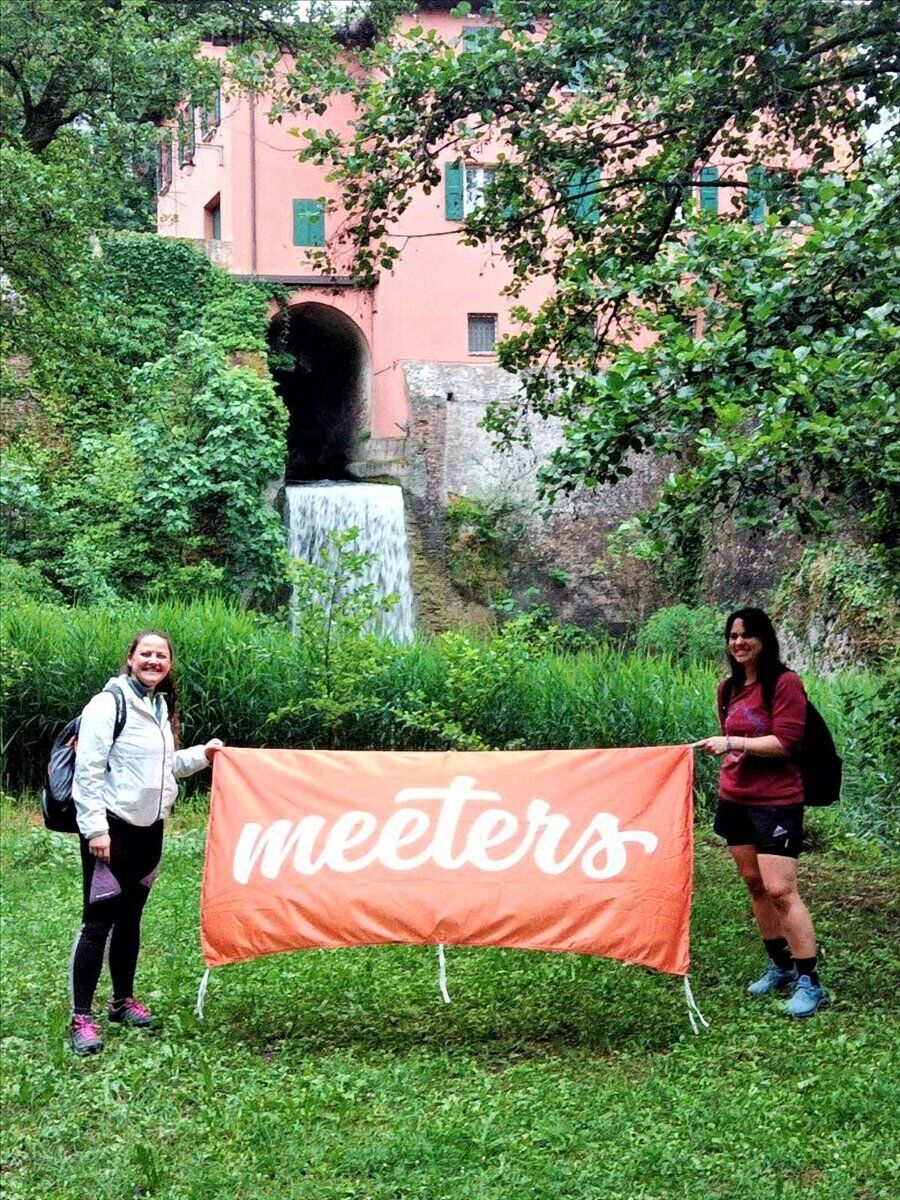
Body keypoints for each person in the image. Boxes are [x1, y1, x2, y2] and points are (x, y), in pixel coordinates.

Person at [68, 631, 223, 1055]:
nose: (153, 661)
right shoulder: (108, 704)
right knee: (98, 921)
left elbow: (165, 766)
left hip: (150, 830)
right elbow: (88, 771)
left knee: (131, 919)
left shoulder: (158, 707)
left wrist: (202, 755)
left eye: (161, 656)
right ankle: (81, 1017)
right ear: (131, 659)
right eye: (146, 654)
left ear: (168, 664)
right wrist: (95, 829)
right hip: (113, 829)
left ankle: (121, 1002)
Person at [695, 607, 828, 1018]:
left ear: (764, 639)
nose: (739, 642)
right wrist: (730, 745)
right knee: (754, 884)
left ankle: (810, 980)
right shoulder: (726, 689)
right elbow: (734, 741)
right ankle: (781, 965)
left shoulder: (785, 684)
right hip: (735, 797)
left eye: (747, 635)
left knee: (780, 890)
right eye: (732, 635)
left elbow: (785, 743)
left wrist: (733, 742)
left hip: (777, 799)